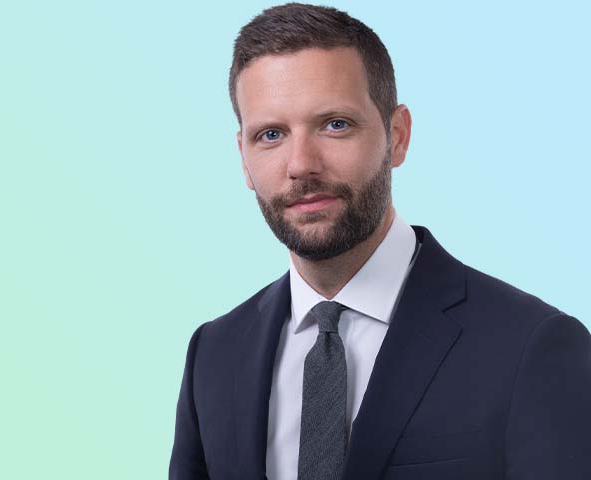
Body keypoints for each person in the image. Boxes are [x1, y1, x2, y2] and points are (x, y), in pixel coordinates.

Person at [169, 3, 591, 479]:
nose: (301, 164)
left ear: (398, 136)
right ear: (244, 159)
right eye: (270, 134)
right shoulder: (214, 354)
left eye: (335, 124)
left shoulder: (530, 347)